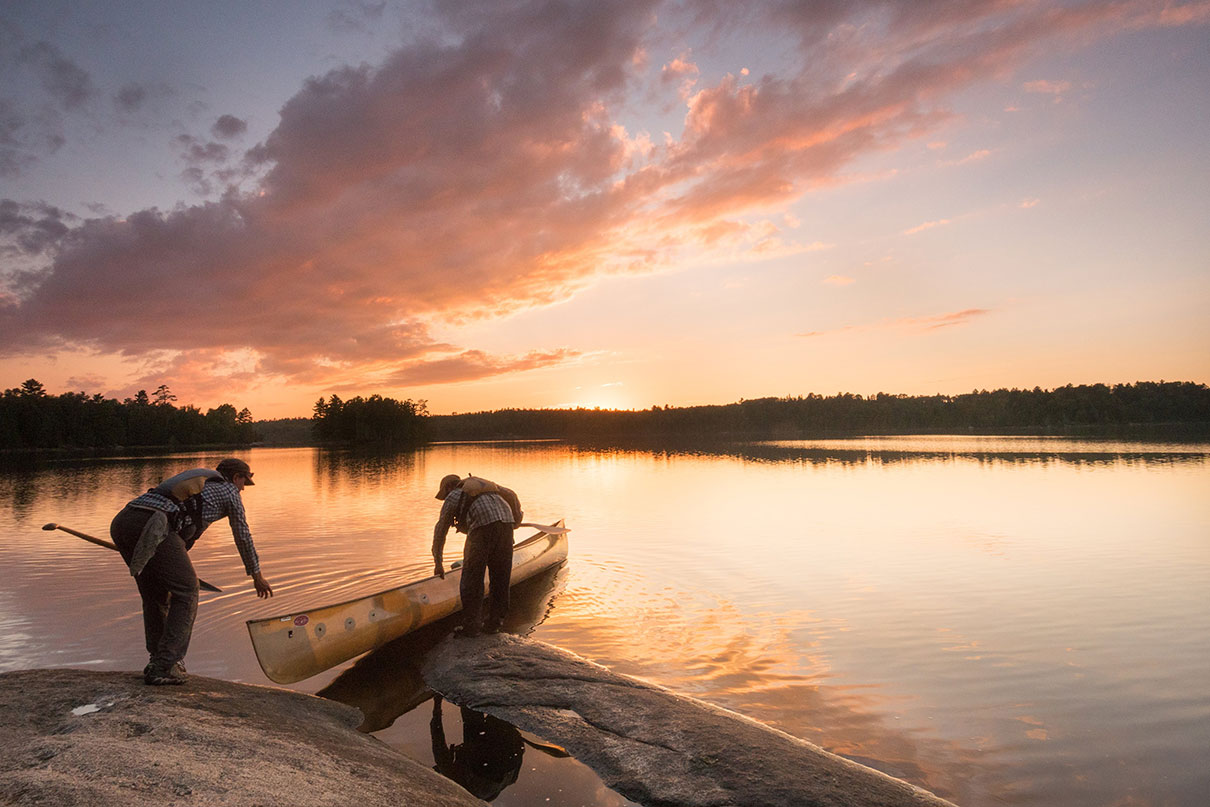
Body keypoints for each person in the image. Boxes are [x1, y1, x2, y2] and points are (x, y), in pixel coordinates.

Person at [109, 457, 273, 685]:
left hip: (124, 521)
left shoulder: (202, 485)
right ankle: (165, 665)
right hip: (154, 525)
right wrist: (257, 575)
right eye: (244, 482)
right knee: (187, 591)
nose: (244, 489)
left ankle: (158, 660)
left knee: (156, 594)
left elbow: (181, 530)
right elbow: (242, 536)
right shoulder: (229, 492)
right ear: (236, 477)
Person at [432, 474, 522, 636]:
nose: (445, 498)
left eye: (444, 495)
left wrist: (438, 562)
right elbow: (511, 494)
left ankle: (471, 627)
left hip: (482, 529)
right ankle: (494, 624)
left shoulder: (453, 495)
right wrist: (516, 520)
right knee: (500, 577)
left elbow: (440, 531)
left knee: (471, 578)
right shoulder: (486, 486)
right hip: (506, 525)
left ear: (448, 488)